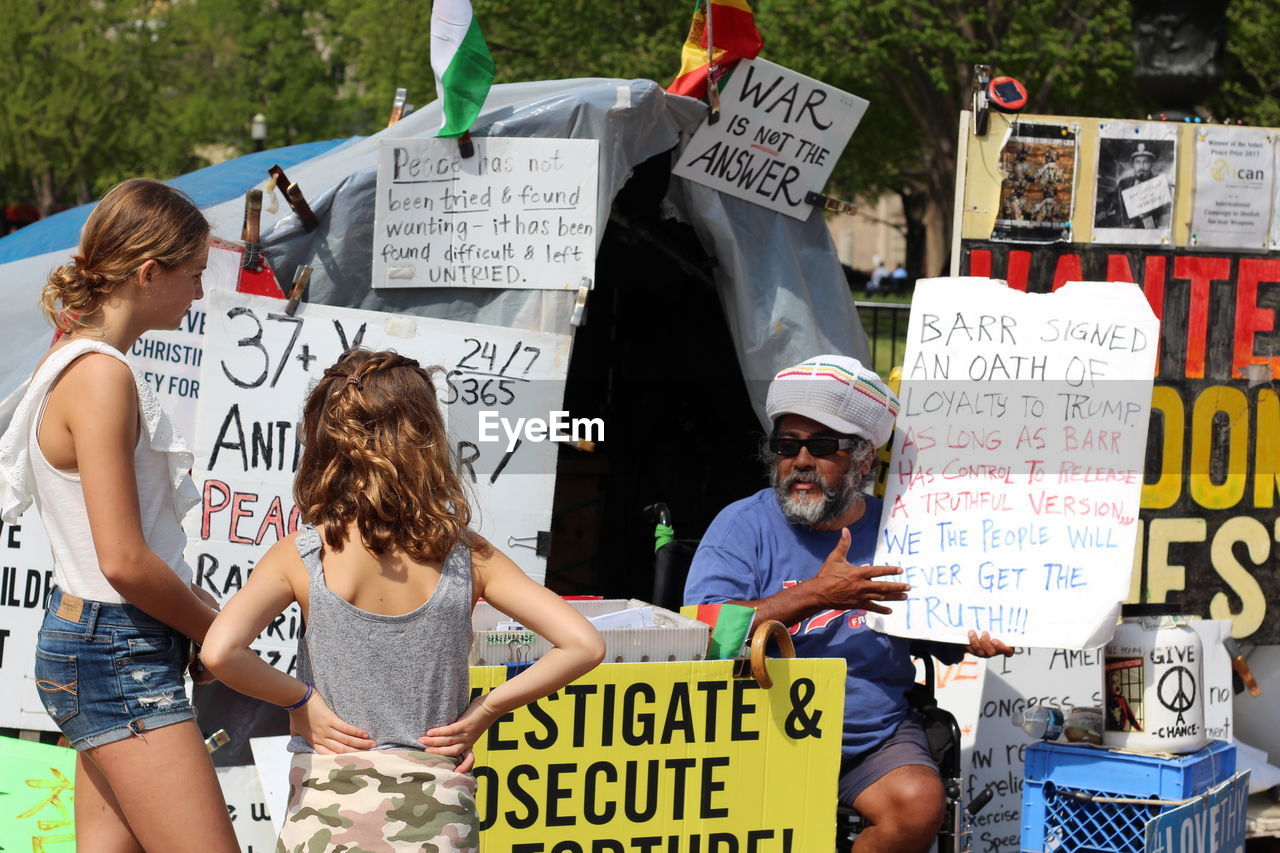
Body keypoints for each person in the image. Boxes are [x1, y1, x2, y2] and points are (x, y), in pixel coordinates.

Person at [201, 349, 605, 851]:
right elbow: (584, 645)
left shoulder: (302, 555)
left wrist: (299, 700)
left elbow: (219, 652)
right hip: (436, 816)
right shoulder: (467, 557)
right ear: (426, 438)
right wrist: (485, 710)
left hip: (326, 814)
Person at [683, 355, 1013, 853]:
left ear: (863, 459)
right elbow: (703, 635)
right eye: (786, 446)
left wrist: (973, 635)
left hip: (870, 738)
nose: (801, 461)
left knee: (918, 803)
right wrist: (816, 594)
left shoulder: (902, 529)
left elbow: (938, 626)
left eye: (822, 446)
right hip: (756, 736)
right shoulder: (740, 526)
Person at [0, 179, 238, 851]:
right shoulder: (102, 375)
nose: (198, 294)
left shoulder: (70, 361)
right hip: (116, 647)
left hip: (99, 640)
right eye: (193, 276)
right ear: (148, 271)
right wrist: (217, 633)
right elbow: (124, 560)